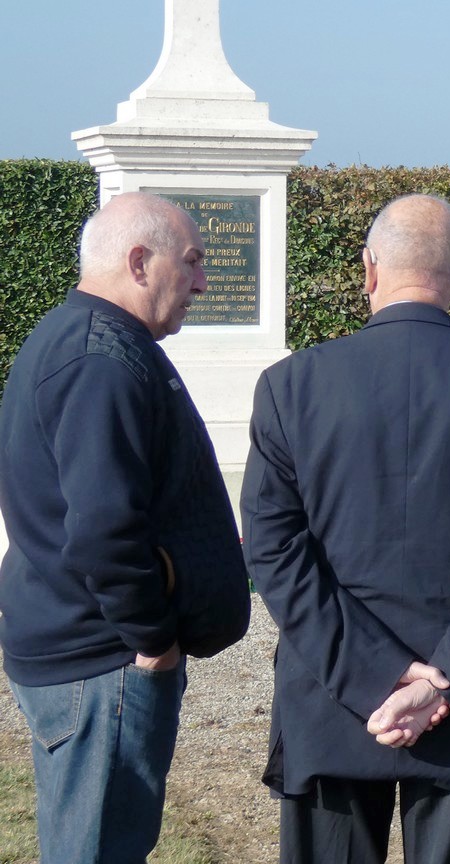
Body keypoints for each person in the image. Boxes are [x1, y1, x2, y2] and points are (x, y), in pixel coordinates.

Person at [242, 194, 450, 864]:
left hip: (334, 693)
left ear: (368, 268)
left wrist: (374, 674)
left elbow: (274, 551)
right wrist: (441, 679)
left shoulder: (290, 386)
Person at [0, 191, 249, 864]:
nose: (203, 282)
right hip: (103, 666)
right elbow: (103, 533)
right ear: (139, 262)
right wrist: (153, 642)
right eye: (192, 261)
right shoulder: (99, 360)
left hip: (94, 661)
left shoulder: (89, 339)